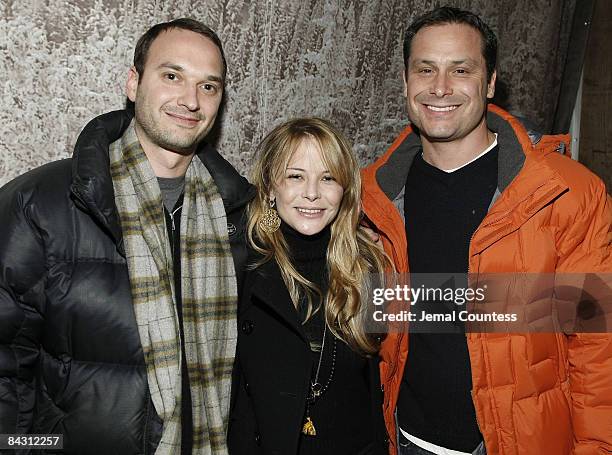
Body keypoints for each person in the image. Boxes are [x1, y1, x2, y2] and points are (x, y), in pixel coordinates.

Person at [360, 6, 612, 455]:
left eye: (461, 70)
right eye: (425, 70)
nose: (440, 87)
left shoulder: (567, 194)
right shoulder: (370, 197)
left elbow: (596, 348)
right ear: (405, 82)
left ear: (490, 82)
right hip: (402, 439)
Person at [0, 18, 254, 454]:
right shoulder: (40, 203)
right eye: (172, 76)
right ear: (134, 83)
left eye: (208, 86)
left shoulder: (239, 215)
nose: (190, 100)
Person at [228, 118, 390, 455]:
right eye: (295, 176)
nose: (312, 193)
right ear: (271, 188)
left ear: (345, 189)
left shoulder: (368, 264)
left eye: (328, 178)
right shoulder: (240, 265)